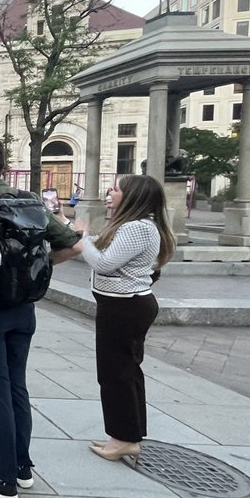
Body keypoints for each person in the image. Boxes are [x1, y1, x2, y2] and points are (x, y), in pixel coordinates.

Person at [0, 138, 81, 498]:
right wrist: (34, 267)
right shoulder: (30, 200)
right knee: (16, 387)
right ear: (4, 165)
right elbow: (73, 244)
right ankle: (19, 466)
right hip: (24, 309)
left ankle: (2, 479)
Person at [73, 174, 176, 461]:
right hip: (123, 307)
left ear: (132, 196)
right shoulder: (133, 226)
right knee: (124, 372)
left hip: (125, 308)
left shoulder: (137, 228)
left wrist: (82, 240)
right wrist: (77, 233)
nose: (109, 191)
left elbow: (104, 264)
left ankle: (123, 439)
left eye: (116, 189)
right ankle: (126, 435)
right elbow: (99, 245)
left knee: (115, 373)